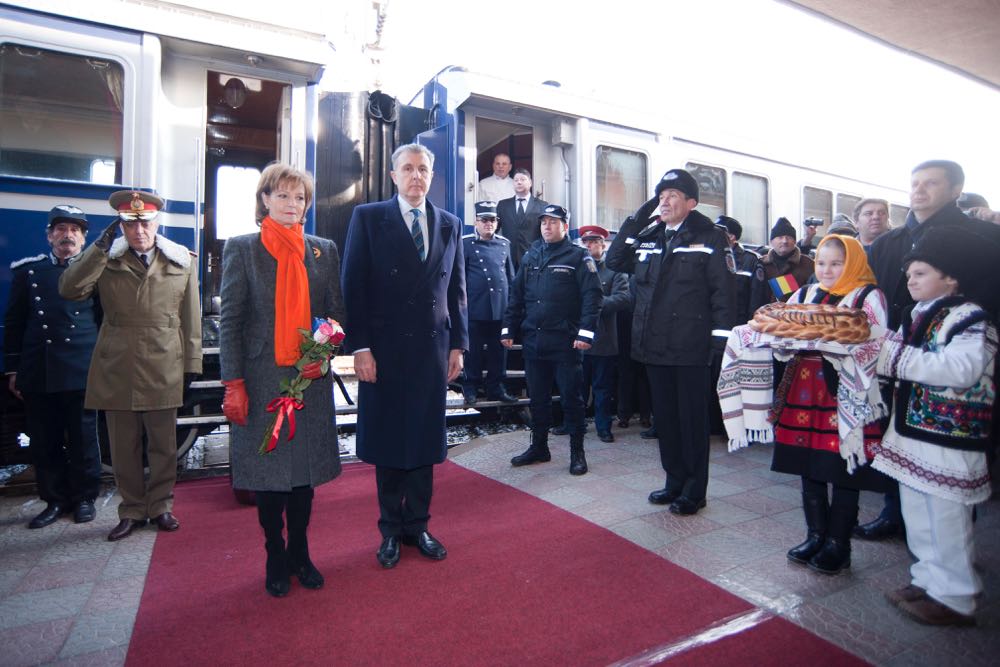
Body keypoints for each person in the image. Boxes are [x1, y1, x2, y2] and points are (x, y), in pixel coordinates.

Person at [219, 163, 345, 597]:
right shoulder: (243, 249)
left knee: (303, 475)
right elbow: (230, 321)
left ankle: (301, 551)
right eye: (284, 196)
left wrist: (324, 354)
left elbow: (334, 315)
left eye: (300, 198)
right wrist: (232, 382)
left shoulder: (323, 250)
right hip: (261, 379)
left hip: (309, 380)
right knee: (269, 475)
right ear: (266, 200)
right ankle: (275, 552)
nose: (293, 205)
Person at [341, 143, 468, 569]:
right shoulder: (369, 218)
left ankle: (419, 526)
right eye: (408, 169)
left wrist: (458, 345)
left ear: (432, 177)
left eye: (423, 170)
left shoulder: (450, 224)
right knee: (392, 442)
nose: (416, 177)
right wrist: (360, 348)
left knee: (424, 441)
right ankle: (390, 531)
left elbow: (457, 292)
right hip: (385, 351)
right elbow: (353, 287)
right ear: (394, 176)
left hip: (432, 351)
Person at [859, 159, 1000, 541]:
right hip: (896, 361)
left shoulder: (982, 238)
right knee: (900, 445)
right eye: (915, 183)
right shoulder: (888, 243)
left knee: (946, 493)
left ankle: (951, 569)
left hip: (950, 378)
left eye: (931, 183)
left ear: (955, 189)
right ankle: (893, 514)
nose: (919, 190)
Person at [59, 190, 201, 541]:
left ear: (157, 223)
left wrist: (192, 364)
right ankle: (133, 510)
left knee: (164, 445)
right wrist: (99, 246)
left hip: (164, 361)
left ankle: (161, 506)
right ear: (120, 226)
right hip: (118, 363)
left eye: (146, 223)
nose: (139, 231)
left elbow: (190, 318)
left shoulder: (181, 260)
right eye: (130, 224)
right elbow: (69, 288)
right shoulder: (106, 259)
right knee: (124, 447)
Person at [873, 225, 996, 626]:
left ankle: (956, 596)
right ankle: (926, 579)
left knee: (946, 517)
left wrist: (891, 356)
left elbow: (962, 369)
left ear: (951, 277)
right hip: (913, 431)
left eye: (921, 273)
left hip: (949, 436)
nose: (910, 280)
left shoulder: (969, 317)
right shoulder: (917, 314)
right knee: (917, 511)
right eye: (908, 274)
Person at [606, 169, 734, 515]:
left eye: (673, 195)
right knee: (666, 419)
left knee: (691, 421)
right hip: (653, 345)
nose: (665, 200)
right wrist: (640, 216)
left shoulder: (710, 237)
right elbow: (614, 260)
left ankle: (695, 489)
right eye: (661, 194)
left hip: (691, 347)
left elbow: (723, 294)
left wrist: (718, 345)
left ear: (691, 203)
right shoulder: (650, 235)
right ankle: (674, 481)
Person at [769, 235, 891, 574]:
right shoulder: (805, 294)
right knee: (808, 464)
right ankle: (815, 535)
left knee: (842, 468)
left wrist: (831, 343)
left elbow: (877, 343)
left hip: (847, 392)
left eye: (836, 263)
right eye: (821, 262)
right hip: (805, 388)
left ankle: (839, 544)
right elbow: (781, 331)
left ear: (852, 263)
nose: (827, 270)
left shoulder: (868, 296)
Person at [3, 205, 101, 528]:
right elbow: (15, 323)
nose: (67, 235)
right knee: (44, 441)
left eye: (75, 230)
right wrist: (13, 370)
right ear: (49, 236)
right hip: (40, 369)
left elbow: (104, 322)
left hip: (81, 368)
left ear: (84, 238)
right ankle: (55, 500)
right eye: (61, 229)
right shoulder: (29, 272)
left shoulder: (96, 273)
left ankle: (85, 499)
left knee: (83, 438)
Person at [502, 205, 602, 474]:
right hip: (535, 340)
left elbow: (592, 298)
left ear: (564, 226)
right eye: (544, 222)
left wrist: (585, 333)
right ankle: (539, 448)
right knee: (537, 398)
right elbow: (517, 294)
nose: (547, 226)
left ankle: (577, 453)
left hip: (566, 342)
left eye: (553, 222)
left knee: (572, 399)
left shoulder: (579, 256)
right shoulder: (533, 253)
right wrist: (508, 328)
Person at [577, 225, 629, 442]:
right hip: (578, 340)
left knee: (602, 388)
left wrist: (595, 305)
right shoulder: (577, 268)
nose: (589, 246)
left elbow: (624, 298)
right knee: (577, 388)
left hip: (604, 341)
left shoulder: (614, 269)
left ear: (602, 244)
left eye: (593, 242)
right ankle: (574, 425)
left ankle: (603, 427)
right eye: (585, 243)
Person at [461, 201, 517, 405]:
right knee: (473, 352)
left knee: (498, 353)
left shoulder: (504, 244)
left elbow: (510, 277)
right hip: (474, 307)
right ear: (476, 222)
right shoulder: (465, 243)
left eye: (492, 220)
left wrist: (512, 308)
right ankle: (471, 387)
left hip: (499, 309)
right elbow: (460, 277)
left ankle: (496, 387)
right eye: (484, 220)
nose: (488, 224)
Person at [497, 168, 549, 268]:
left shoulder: (542, 206)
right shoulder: (503, 205)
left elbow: (546, 234)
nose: (519, 182)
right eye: (516, 180)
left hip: (534, 258)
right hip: (508, 259)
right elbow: (494, 230)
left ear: (530, 182)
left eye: (522, 179)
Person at [761, 217, 814, 303]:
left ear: (795, 241)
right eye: (780, 237)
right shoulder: (761, 264)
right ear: (771, 241)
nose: (785, 241)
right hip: (763, 315)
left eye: (789, 237)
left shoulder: (808, 264)